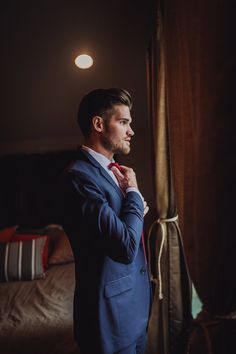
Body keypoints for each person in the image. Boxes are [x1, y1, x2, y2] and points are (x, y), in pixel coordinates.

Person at [59, 88, 151, 354]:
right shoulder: (78, 177)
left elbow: (126, 230)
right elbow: (124, 246)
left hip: (134, 310)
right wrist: (133, 195)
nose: (131, 131)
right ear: (98, 124)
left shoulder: (114, 173)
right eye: (123, 122)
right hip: (108, 320)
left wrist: (130, 214)